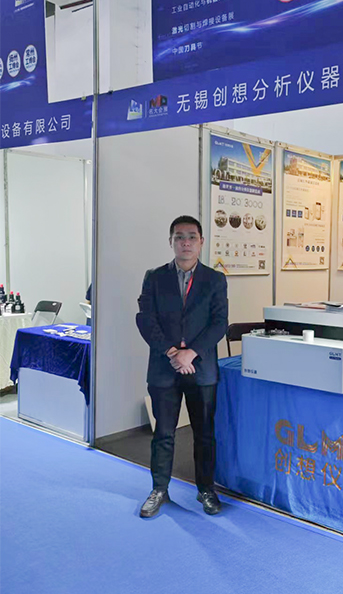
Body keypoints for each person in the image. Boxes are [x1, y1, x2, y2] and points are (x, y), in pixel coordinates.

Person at [136, 215, 228, 518]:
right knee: (163, 433)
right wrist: (173, 352)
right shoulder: (155, 277)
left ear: (201, 242)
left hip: (202, 370)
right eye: (179, 237)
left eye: (191, 237)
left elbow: (219, 323)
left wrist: (191, 354)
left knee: (204, 434)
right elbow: (145, 319)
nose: (185, 242)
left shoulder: (215, 279)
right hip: (164, 369)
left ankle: (206, 490)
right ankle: (159, 489)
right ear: (171, 242)